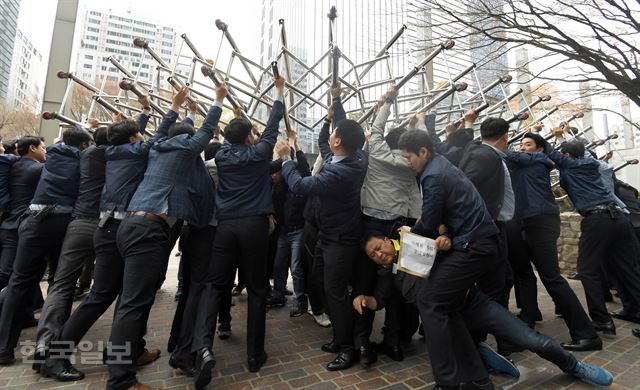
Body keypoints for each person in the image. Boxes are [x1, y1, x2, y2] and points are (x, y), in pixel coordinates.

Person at [357, 233, 614, 387]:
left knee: (530, 339)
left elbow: (454, 250)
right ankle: (489, 360)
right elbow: (380, 300)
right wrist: (366, 300)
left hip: (474, 303)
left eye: (378, 247)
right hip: (447, 320)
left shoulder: (416, 240)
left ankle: (574, 366)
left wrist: (445, 241)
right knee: (460, 360)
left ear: (386, 240)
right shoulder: (387, 274)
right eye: (372, 255)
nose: (378, 254)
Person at [39, 94, 173, 381]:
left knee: (102, 297)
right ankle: (114, 369)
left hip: (106, 228)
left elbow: (130, 135)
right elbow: (157, 136)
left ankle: (61, 355)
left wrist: (140, 116)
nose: (142, 137)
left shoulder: (109, 153)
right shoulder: (136, 151)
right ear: (135, 138)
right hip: (123, 229)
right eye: (139, 134)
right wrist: (172, 107)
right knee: (128, 300)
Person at [105, 84, 225, 390]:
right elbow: (209, 129)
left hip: (131, 225)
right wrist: (218, 99)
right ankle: (120, 380)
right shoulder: (186, 149)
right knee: (132, 304)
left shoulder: (155, 147)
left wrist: (175, 107)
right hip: (149, 230)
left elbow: (159, 132)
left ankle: (133, 353)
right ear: (186, 139)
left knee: (132, 300)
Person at [397, 128, 501, 389]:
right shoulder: (440, 165)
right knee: (446, 307)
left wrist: (412, 232)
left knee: (429, 300)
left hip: (473, 246)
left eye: (408, 157)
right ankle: (478, 379)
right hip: (479, 243)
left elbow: (429, 221)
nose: (407, 163)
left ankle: (447, 383)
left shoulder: (432, 175)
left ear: (423, 151)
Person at [275, 83, 368, 371]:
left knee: (336, 291)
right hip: (328, 235)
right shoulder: (351, 157)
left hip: (340, 239)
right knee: (325, 286)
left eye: (333, 133)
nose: (330, 135)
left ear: (339, 142)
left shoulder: (342, 170)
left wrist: (286, 159)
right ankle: (340, 337)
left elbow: (302, 185)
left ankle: (348, 347)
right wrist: (335, 107)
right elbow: (329, 143)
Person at [205, 77, 284, 377]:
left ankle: (205, 345)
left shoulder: (221, 156)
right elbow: (273, 126)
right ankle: (254, 355)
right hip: (253, 226)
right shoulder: (260, 154)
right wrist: (279, 94)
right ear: (250, 137)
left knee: (217, 284)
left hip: (225, 227)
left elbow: (225, 140)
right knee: (258, 290)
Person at [0, 127, 92, 365]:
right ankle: (51, 343)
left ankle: (4, 348)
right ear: (83, 146)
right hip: (63, 227)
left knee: (18, 282)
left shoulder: (52, 156)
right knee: (60, 284)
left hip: (33, 223)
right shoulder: (85, 161)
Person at [504, 132, 601, 350]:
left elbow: (507, 155)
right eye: (521, 144)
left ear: (539, 148)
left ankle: (587, 334)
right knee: (524, 275)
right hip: (521, 222)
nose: (522, 148)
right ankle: (527, 319)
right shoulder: (518, 165)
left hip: (541, 221)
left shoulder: (540, 160)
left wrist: (495, 145)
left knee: (551, 278)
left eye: (528, 144)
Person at [544, 139, 640, 334]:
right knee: (627, 268)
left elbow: (554, 155)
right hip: (618, 218)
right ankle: (635, 310)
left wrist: (543, 142)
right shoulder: (594, 165)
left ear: (567, 156)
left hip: (597, 219)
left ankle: (601, 320)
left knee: (587, 270)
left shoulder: (573, 165)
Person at [355, 86, 421, 364]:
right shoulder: (412, 164)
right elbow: (416, 200)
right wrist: (419, 124)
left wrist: (386, 103)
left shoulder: (378, 152)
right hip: (399, 228)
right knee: (394, 285)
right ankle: (393, 341)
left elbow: (376, 129)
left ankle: (362, 343)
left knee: (365, 283)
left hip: (371, 225)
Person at [268, 130, 311, 317]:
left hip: (298, 229)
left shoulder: (297, 175)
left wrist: (295, 144)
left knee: (296, 265)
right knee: (279, 263)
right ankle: (278, 293)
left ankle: (300, 299)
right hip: (283, 230)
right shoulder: (274, 182)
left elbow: (305, 167)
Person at [0, 136, 46, 290]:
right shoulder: (38, 169)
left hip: (8, 222)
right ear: (33, 148)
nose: (45, 151)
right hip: (19, 225)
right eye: (43, 147)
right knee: (9, 273)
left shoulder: (11, 164)